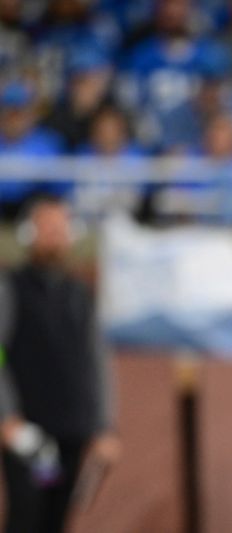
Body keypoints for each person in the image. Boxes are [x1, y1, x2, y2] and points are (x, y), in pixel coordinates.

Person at [0, 196, 120, 533]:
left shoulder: (79, 293)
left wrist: (105, 426)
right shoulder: (10, 287)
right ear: (28, 233)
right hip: (28, 434)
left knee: (55, 519)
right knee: (26, 516)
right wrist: (6, 418)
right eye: (46, 227)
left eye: (60, 228)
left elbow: (96, 359)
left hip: (70, 432)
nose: (54, 235)